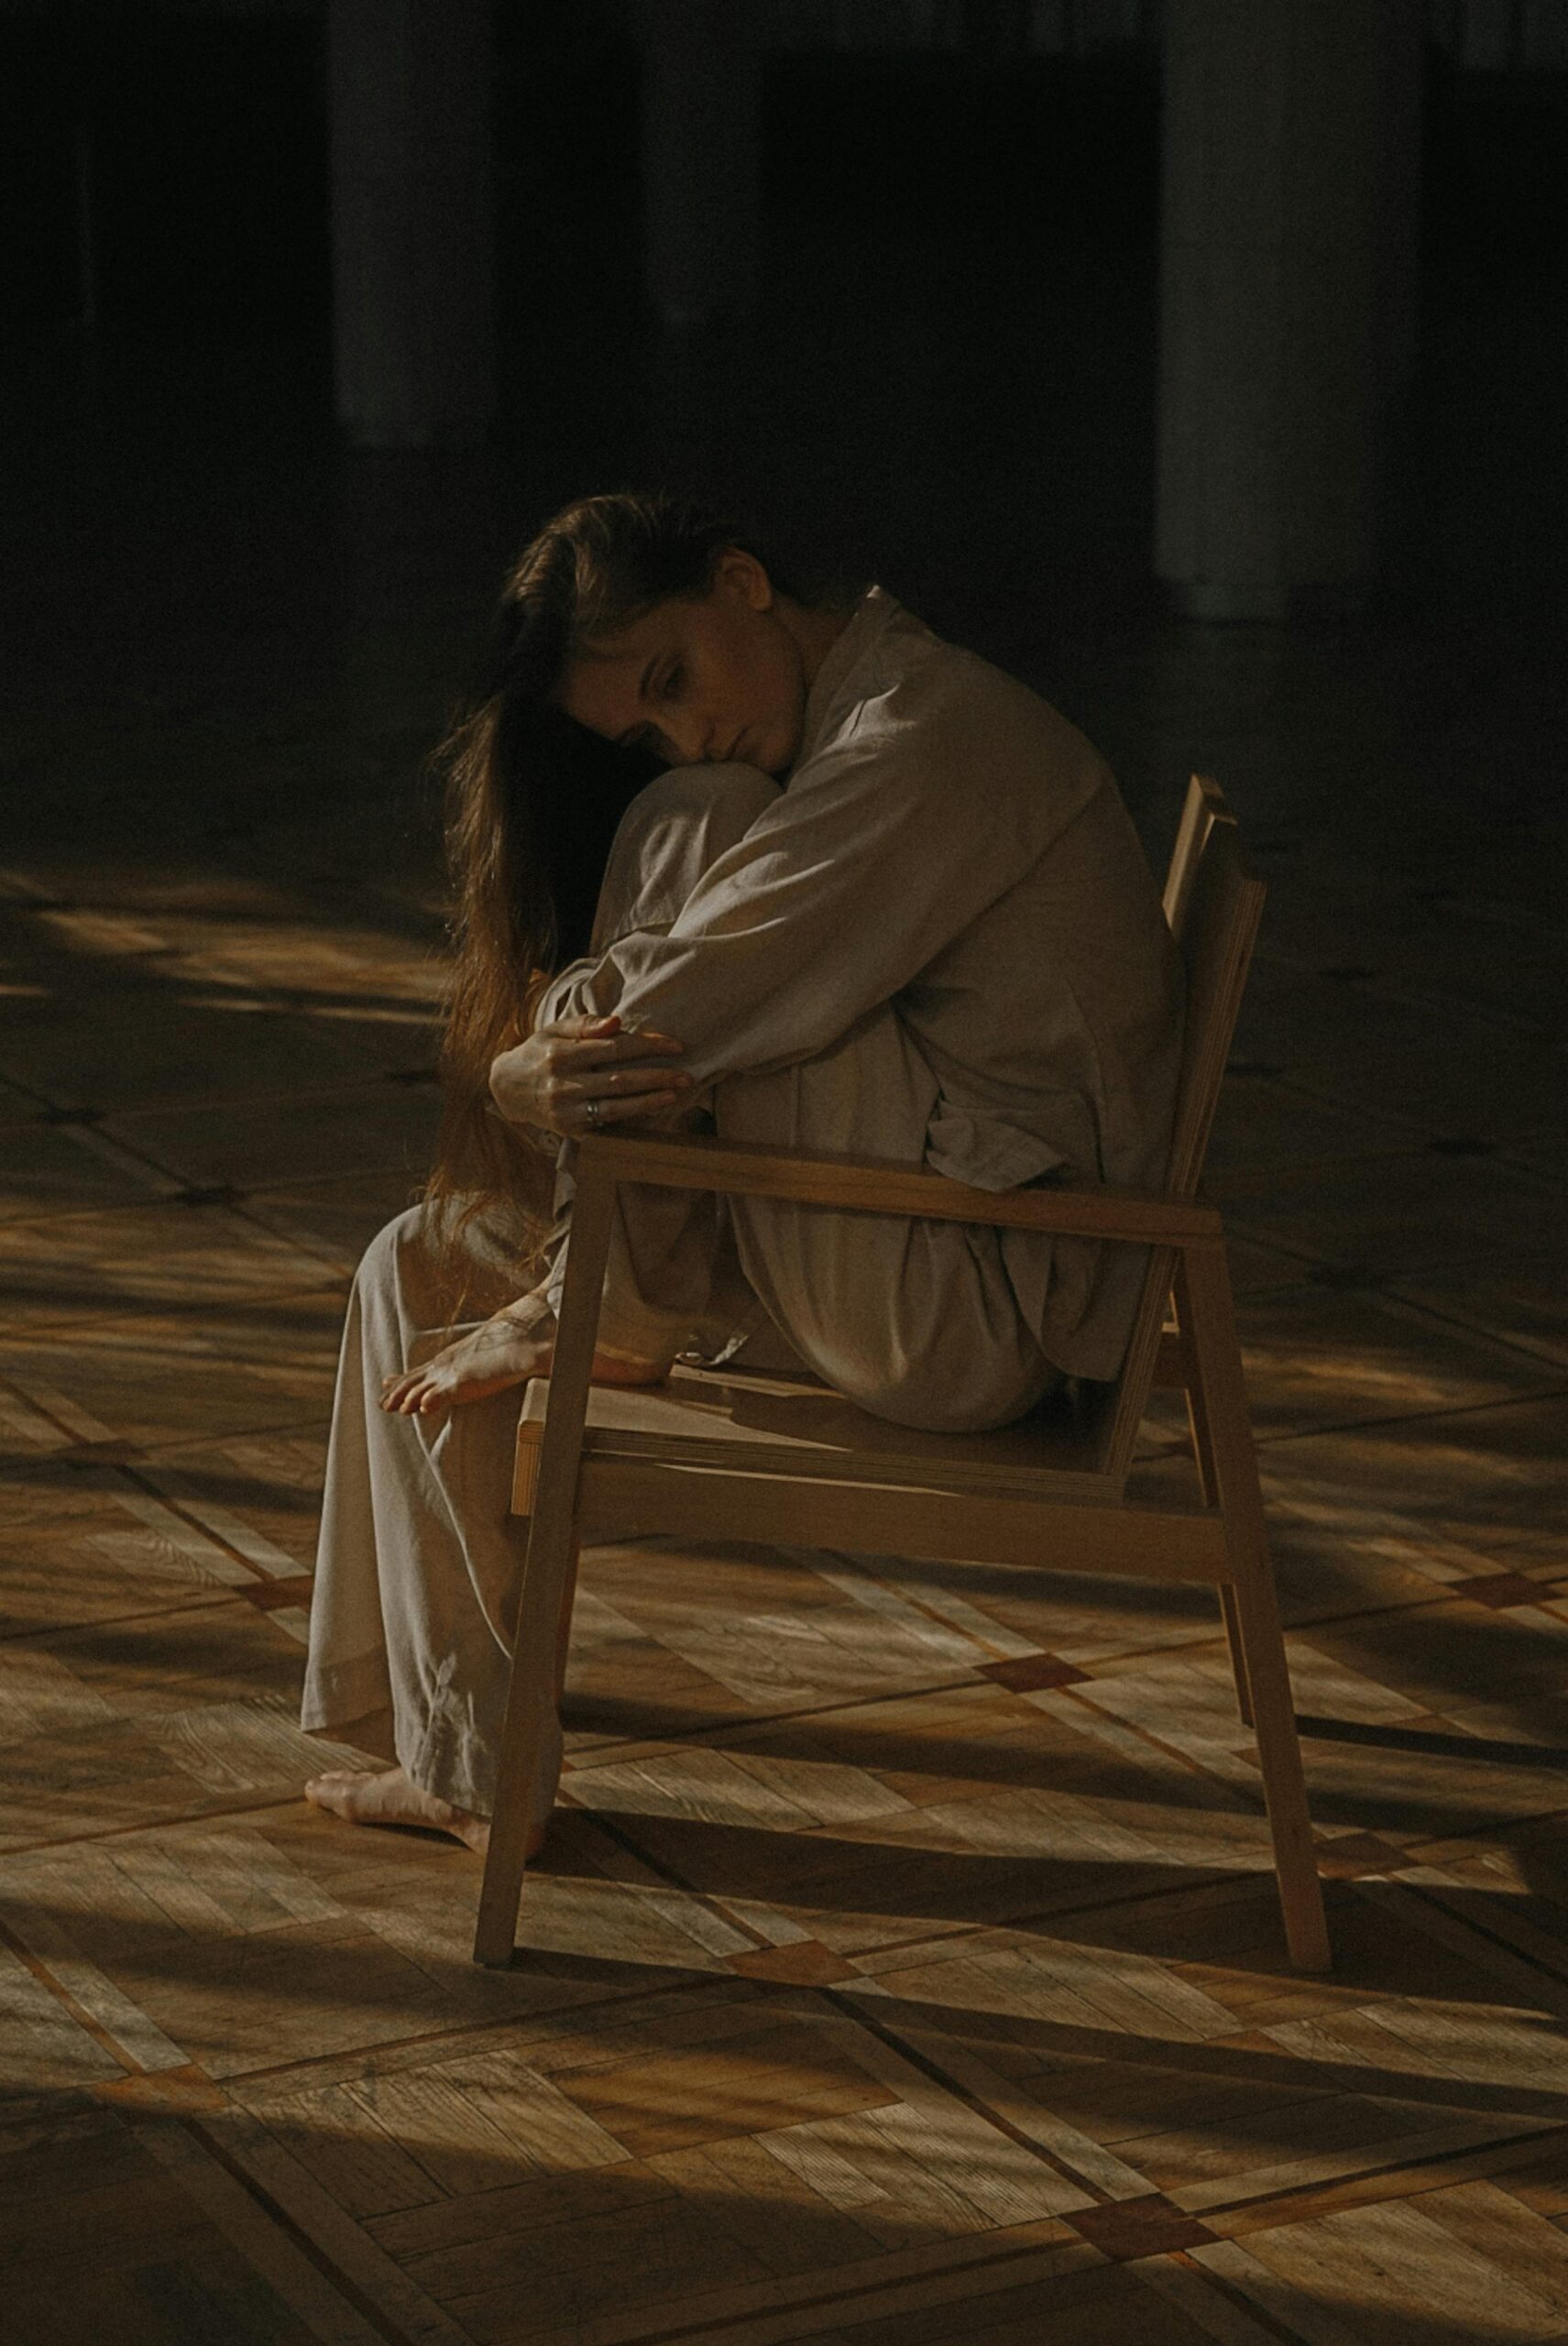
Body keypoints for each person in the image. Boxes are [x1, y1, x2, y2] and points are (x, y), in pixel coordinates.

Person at [302, 490, 1184, 1853]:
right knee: (411, 1269)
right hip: (880, 1231)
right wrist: (538, 1070)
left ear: (743, 581)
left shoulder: (924, 736)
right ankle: (465, 1762)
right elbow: (684, 1006)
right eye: (643, 726)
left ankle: (609, 1311)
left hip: (976, 1299)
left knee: (698, 828)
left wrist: (524, 1058)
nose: (687, 726)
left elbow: (680, 1010)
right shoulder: (856, 732)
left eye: (675, 678)